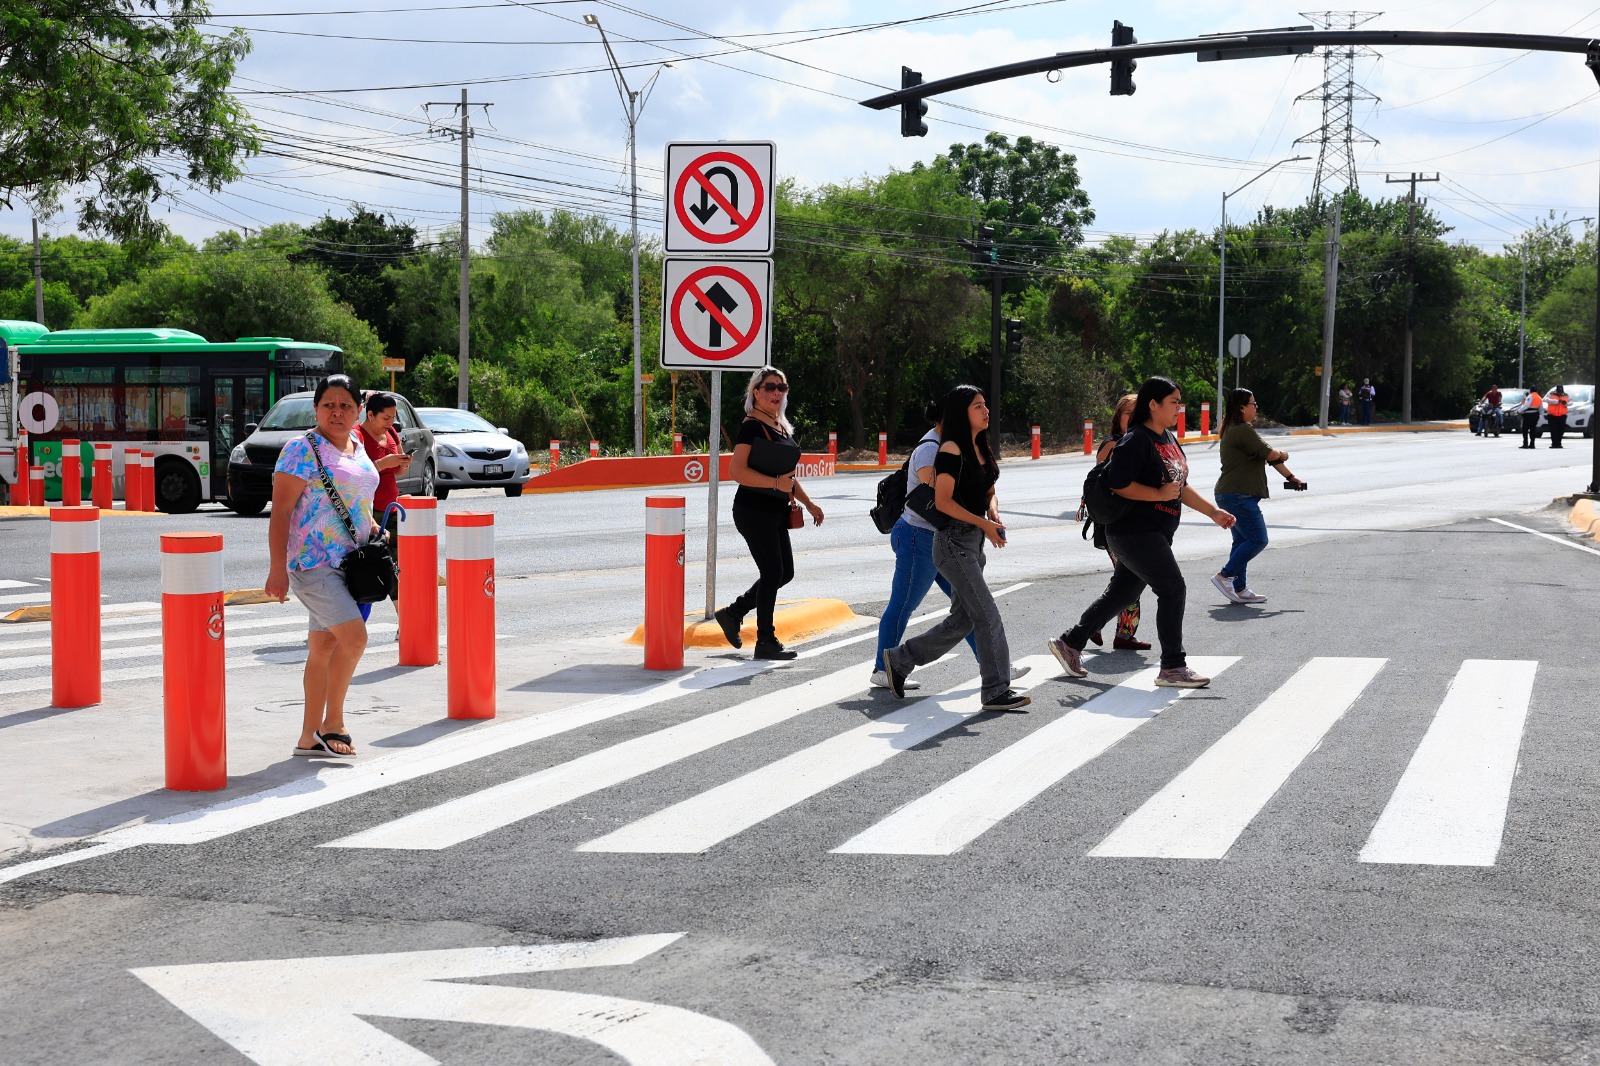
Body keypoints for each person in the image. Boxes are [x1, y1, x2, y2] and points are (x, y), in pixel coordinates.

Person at [1047, 376, 1236, 689]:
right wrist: (1157, 495)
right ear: (1153, 405)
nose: (1179, 408)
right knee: (1172, 588)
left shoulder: (1167, 438)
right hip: (1133, 531)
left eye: (1179, 402)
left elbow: (1179, 486)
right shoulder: (1136, 439)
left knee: (1123, 593)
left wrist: (1213, 512)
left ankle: (1070, 643)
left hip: (1152, 532)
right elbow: (1118, 483)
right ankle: (1173, 667)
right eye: (1173, 402)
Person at [882, 385, 1030, 712]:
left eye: (985, 405)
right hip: (952, 542)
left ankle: (900, 659)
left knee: (963, 621)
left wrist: (992, 512)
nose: (986, 411)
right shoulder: (950, 450)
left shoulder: (980, 446)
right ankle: (995, 690)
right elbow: (943, 502)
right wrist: (983, 524)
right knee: (987, 614)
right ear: (963, 413)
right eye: (978, 406)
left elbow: (989, 490)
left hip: (973, 543)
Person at [266, 374, 382, 758]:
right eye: (328, 404)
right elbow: (281, 511)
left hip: (350, 563)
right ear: (315, 409)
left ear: (358, 411)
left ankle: (308, 737)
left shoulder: (357, 444)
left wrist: (374, 527)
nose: (337, 412)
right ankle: (333, 724)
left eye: (345, 405)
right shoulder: (300, 449)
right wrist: (277, 569)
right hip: (313, 564)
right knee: (355, 639)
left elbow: (355, 497)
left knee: (323, 648)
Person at [714, 367, 824, 661]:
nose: (776, 393)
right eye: (770, 387)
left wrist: (809, 504)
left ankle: (734, 612)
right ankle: (765, 640)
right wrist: (775, 484)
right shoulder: (751, 426)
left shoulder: (780, 426)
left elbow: (787, 476)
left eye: (781, 388)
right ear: (756, 392)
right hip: (752, 510)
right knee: (773, 572)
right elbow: (736, 471)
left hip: (775, 510)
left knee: (784, 572)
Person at [871, 401, 978, 690]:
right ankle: (882, 669)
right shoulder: (930, 449)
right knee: (903, 604)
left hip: (937, 538)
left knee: (969, 604)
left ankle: (993, 664)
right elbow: (940, 494)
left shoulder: (948, 445)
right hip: (918, 538)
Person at [1210, 389, 1303, 606]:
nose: (1256, 407)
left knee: (1242, 541)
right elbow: (1271, 454)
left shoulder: (1237, 429)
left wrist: (1291, 477)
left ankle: (1239, 588)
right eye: (1253, 404)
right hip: (1238, 495)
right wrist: (1282, 453)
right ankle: (1225, 576)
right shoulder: (1241, 430)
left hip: (1231, 494)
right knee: (1258, 539)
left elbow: (1268, 457)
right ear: (1242, 408)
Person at [1088, 393, 1147, 649]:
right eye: (1128, 413)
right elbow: (1102, 486)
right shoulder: (1113, 444)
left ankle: (1116, 631)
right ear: (1118, 417)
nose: (1132, 418)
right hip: (1115, 523)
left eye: (1137, 413)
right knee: (1130, 579)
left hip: (1134, 523)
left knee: (1126, 579)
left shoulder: (1140, 441)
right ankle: (1107, 629)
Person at [356, 392, 411, 621]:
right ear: (370, 415)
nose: (391, 423)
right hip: (370, 513)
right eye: (386, 418)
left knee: (398, 566)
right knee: (378, 567)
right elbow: (354, 473)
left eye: (393, 418)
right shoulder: (357, 436)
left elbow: (398, 472)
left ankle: (405, 622)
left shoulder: (391, 433)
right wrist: (381, 463)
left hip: (392, 509)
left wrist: (403, 464)